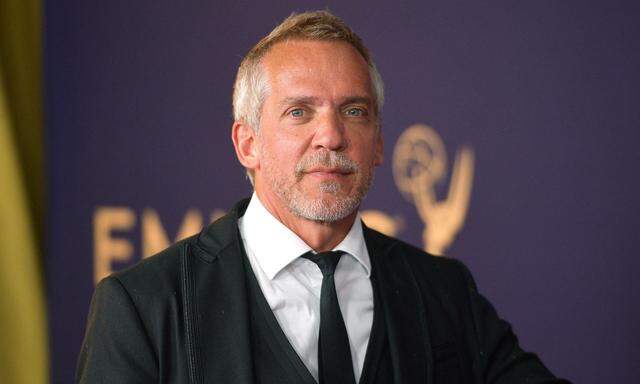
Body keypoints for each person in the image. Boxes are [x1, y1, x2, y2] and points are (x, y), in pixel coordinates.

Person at [77, 10, 569, 384]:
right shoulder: (144, 309)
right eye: (299, 112)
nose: (331, 136)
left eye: (354, 111)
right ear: (247, 144)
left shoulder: (445, 294)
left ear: (378, 144)